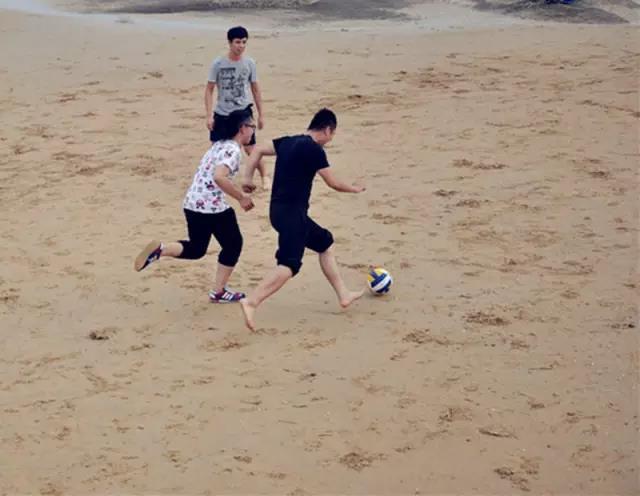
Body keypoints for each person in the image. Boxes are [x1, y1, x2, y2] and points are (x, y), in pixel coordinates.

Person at [238, 108, 366, 331]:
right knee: (289, 265)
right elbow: (333, 183)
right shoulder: (314, 150)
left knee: (325, 242)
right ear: (327, 130)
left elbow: (257, 149)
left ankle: (343, 294)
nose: (330, 140)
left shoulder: (288, 142)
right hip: (292, 215)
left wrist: (247, 178)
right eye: (332, 135)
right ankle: (252, 301)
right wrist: (354, 189)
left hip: (278, 212)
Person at [134, 109, 255, 303]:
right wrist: (241, 197)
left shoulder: (218, 144)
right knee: (233, 244)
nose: (253, 131)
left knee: (197, 248)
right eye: (252, 127)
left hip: (192, 202)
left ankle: (161, 250)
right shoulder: (233, 150)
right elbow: (219, 177)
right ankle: (218, 291)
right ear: (242, 128)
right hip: (211, 207)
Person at [204, 26, 270, 189]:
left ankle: (264, 176)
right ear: (230, 43)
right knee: (217, 149)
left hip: (243, 112)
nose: (241, 46)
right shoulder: (218, 64)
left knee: (251, 148)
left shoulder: (249, 63)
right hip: (223, 112)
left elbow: (255, 89)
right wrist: (209, 115)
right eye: (238, 42)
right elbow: (209, 89)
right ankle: (218, 178)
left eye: (244, 42)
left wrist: (261, 114)